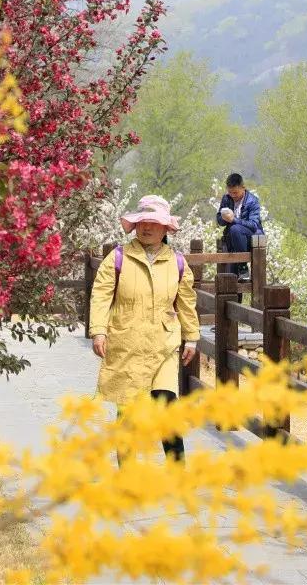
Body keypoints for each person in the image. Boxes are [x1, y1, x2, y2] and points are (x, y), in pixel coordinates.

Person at [88, 195, 200, 463]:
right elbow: (101, 295)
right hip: (127, 343)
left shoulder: (178, 263)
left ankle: (177, 471)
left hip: (163, 345)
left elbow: (186, 303)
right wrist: (98, 330)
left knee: (166, 405)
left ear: (165, 228)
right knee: (128, 409)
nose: (147, 228)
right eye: (142, 223)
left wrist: (192, 338)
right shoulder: (117, 258)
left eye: (153, 223)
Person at [216, 173, 263, 282]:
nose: (233, 195)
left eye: (235, 192)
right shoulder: (226, 199)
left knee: (235, 228)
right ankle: (241, 272)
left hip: (251, 236)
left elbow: (254, 225)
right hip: (233, 239)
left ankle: (243, 266)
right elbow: (219, 220)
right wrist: (224, 218)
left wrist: (234, 220)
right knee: (232, 278)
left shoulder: (252, 201)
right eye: (230, 192)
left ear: (243, 188)